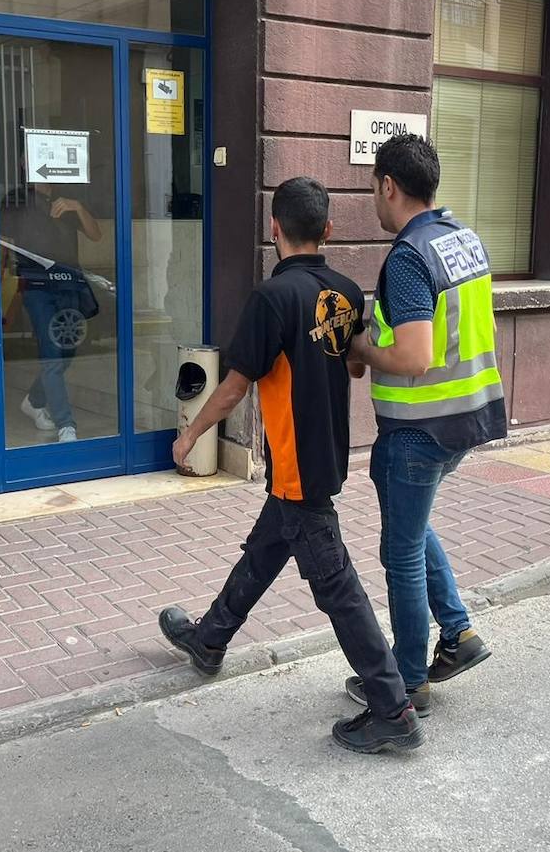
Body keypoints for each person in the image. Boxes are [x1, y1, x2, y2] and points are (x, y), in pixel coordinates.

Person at [159, 177, 423, 754]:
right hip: (322, 457)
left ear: (273, 228)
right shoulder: (349, 292)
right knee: (267, 547)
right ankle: (210, 639)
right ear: (327, 230)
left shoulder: (272, 299)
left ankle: (392, 709)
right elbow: (355, 366)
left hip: (298, 468)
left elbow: (233, 387)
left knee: (338, 589)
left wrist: (190, 435)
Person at [343, 134, 507, 715]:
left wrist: (359, 343)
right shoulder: (462, 239)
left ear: (389, 185)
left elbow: (415, 354)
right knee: (414, 532)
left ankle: (408, 680)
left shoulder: (410, 255)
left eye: (372, 188)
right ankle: (458, 634)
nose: (373, 199)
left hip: (419, 427)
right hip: (465, 418)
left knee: (402, 553)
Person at [2, 180, 102, 443]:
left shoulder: (70, 196)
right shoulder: (16, 198)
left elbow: (95, 234)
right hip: (37, 287)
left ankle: (34, 400)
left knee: (67, 352)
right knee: (51, 352)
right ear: (26, 162)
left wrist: (78, 207)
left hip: (68, 285)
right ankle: (65, 424)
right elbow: (1, 239)